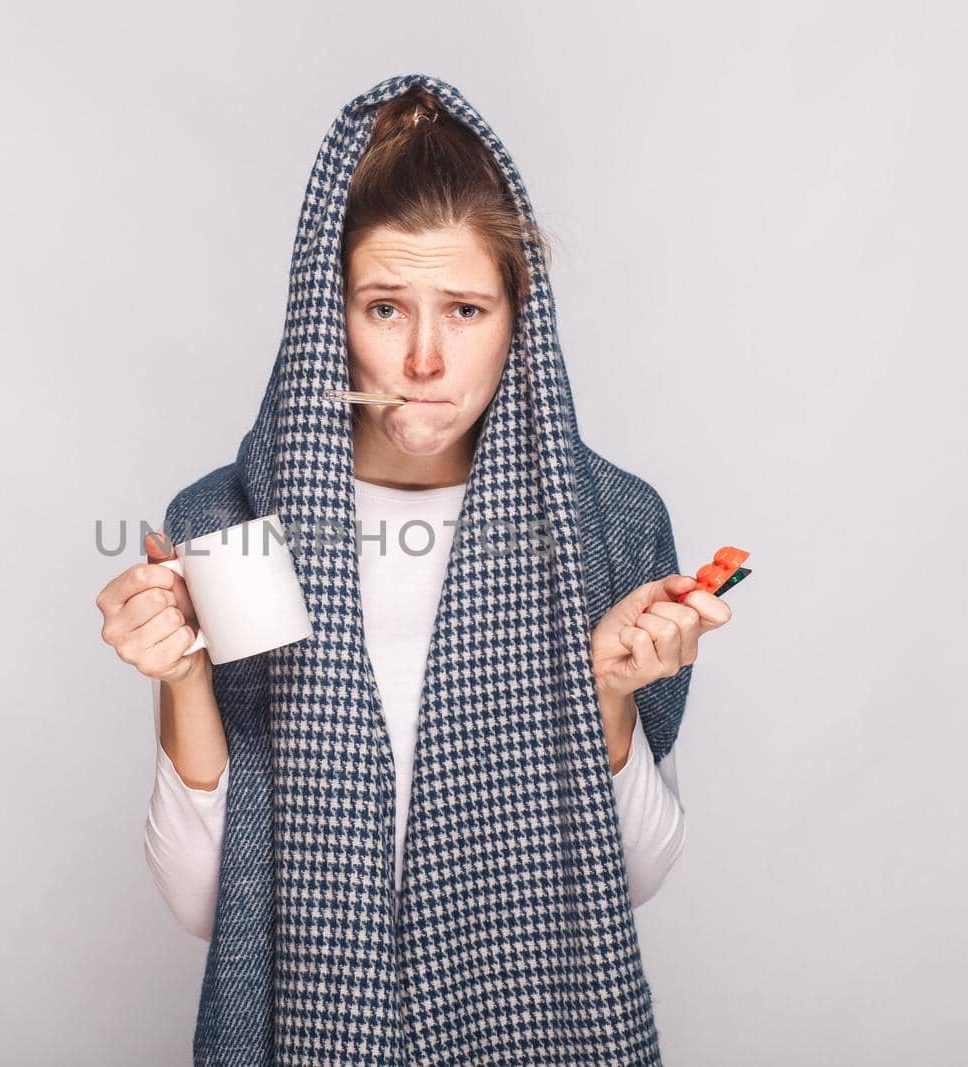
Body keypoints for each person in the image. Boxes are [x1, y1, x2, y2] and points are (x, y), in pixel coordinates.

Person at [95, 75, 733, 1064]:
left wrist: (605, 693)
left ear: (520, 319)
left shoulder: (606, 523)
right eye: (385, 308)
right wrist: (183, 676)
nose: (427, 358)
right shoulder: (239, 522)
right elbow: (204, 904)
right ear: (327, 316)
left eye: (467, 308)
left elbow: (636, 879)